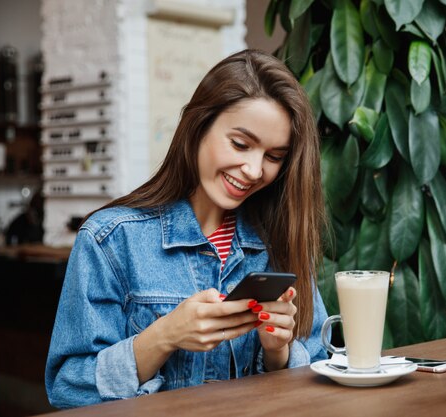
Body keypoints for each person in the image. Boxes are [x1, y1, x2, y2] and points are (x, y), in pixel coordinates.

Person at [45, 49, 329, 408]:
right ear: (197, 128)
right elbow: (67, 389)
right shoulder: (111, 240)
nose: (255, 170)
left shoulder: (281, 241)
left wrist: (278, 354)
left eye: (273, 157)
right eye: (240, 144)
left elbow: (322, 376)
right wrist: (163, 337)